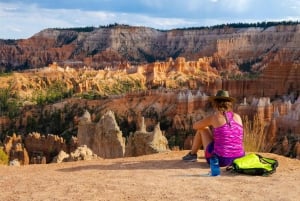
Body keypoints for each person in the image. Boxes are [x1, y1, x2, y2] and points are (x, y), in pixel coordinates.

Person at [182, 89, 245, 167]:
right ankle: (193, 155)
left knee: (203, 128)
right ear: (229, 104)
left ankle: (192, 154)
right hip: (239, 158)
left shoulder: (214, 118)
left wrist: (206, 122)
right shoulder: (238, 117)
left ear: (215, 104)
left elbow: (195, 126)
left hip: (221, 160)